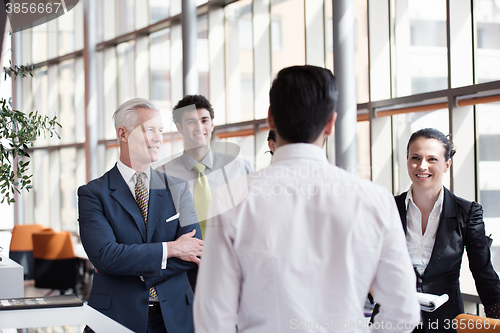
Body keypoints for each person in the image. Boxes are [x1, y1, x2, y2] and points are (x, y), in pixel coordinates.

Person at [193, 65, 420, 332]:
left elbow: (212, 316)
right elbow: (403, 312)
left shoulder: (232, 199)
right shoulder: (374, 200)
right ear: (331, 123)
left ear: (270, 119)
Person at [78, 98, 203, 333]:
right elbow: (105, 256)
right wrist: (170, 249)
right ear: (123, 134)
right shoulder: (93, 194)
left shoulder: (179, 189)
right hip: (116, 318)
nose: (158, 138)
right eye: (149, 130)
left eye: (160, 131)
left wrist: (131, 262)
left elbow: (193, 251)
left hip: (175, 318)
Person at [373, 128, 500, 332]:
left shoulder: (466, 213)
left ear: (446, 165)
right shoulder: (386, 207)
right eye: (415, 157)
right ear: (407, 161)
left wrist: (497, 317)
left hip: (445, 323)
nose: (422, 166)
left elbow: (483, 272)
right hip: (391, 321)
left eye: (432, 159)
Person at [156, 94, 253, 238]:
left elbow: (254, 213)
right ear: (179, 128)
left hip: (232, 253)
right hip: (184, 257)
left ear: (212, 124)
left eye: (204, 120)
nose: (199, 127)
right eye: (191, 122)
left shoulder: (239, 167)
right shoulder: (161, 175)